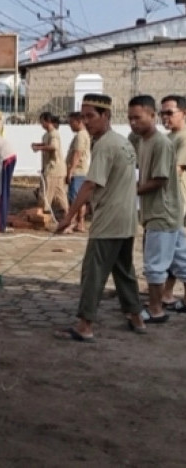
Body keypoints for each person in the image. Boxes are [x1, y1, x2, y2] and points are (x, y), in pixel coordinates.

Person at [55, 94, 146, 341]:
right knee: (124, 271)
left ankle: (85, 325)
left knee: (93, 273)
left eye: (91, 116)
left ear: (105, 116)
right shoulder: (122, 142)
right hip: (126, 220)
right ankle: (136, 317)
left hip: (109, 221)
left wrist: (68, 217)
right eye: (83, 117)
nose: (86, 122)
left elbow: (89, 185)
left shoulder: (106, 145)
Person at [130, 94, 186, 324]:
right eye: (130, 118)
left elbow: (160, 179)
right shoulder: (144, 140)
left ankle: (155, 309)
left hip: (163, 211)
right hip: (167, 211)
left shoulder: (161, 143)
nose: (133, 122)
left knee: (155, 265)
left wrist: (131, 191)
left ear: (150, 116)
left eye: (138, 118)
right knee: (181, 261)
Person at [158, 95, 186, 309]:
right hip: (168, 203)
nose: (164, 117)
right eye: (162, 113)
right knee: (171, 253)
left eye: (170, 112)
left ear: (183, 113)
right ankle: (166, 294)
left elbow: (173, 170)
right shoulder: (168, 138)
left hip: (180, 205)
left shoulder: (184, 138)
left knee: (180, 253)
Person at [32, 112, 69, 221]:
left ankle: (44, 216)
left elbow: (53, 147)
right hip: (50, 168)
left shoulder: (54, 134)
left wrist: (39, 148)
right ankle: (67, 216)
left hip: (54, 169)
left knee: (47, 194)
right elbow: (47, 145)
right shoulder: (47, 135)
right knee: (59, 195)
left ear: (47, 121)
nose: (41, 124)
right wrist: (38, 145)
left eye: (42, 121)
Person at [65, 112, 91, 232]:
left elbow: (77, 153)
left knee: (75, 199)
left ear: (78, 121)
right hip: (82, 171)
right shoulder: (85, 134)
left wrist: (71, 170)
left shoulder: (81, 135)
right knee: (81, 198)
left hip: (78, 171)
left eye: (71, 123)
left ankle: (71, 223)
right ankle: (80, 223)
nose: (70, 125)